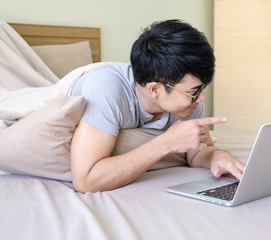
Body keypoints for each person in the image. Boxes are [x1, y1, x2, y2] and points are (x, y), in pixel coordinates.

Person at [70, 19, 245, 193]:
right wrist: (166, 143)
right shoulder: (106, 89)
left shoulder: (186, 101)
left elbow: (196, 153)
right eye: (195, 91)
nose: (202, 98)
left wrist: (217, 156)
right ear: (155, 89)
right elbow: (86, 181)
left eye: (202, 88)